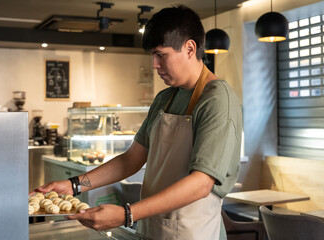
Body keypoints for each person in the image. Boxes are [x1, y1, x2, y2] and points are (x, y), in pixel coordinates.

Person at [34, 5, 242, 240]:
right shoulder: (165, 98)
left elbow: (201, 183)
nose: (154, 65)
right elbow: (131, 159)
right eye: (152, 55)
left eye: (160, 54)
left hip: (194, 231)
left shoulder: (217, 98)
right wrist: (74, 185)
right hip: (152, 227)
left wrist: (126, 214)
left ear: (190, 48)